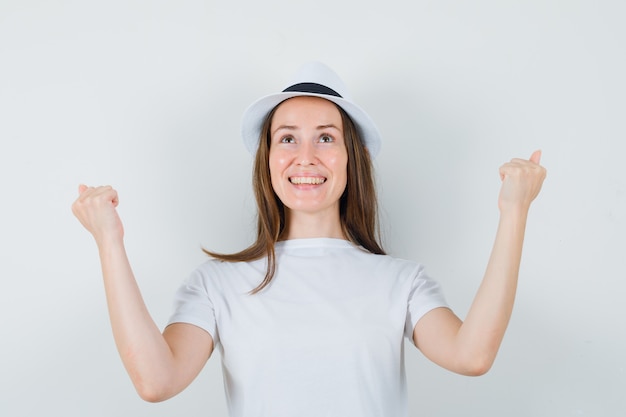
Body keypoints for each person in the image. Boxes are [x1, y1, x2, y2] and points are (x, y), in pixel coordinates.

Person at [72, 62, 546, 417]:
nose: (305, 157)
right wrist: (109, 242)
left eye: (325, 138)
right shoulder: (217, 284)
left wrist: (514, 212)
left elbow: (472, 354)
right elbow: (156, 380)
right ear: (268, 159)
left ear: (350, 156)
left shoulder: (400, 281)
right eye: (287, 138)